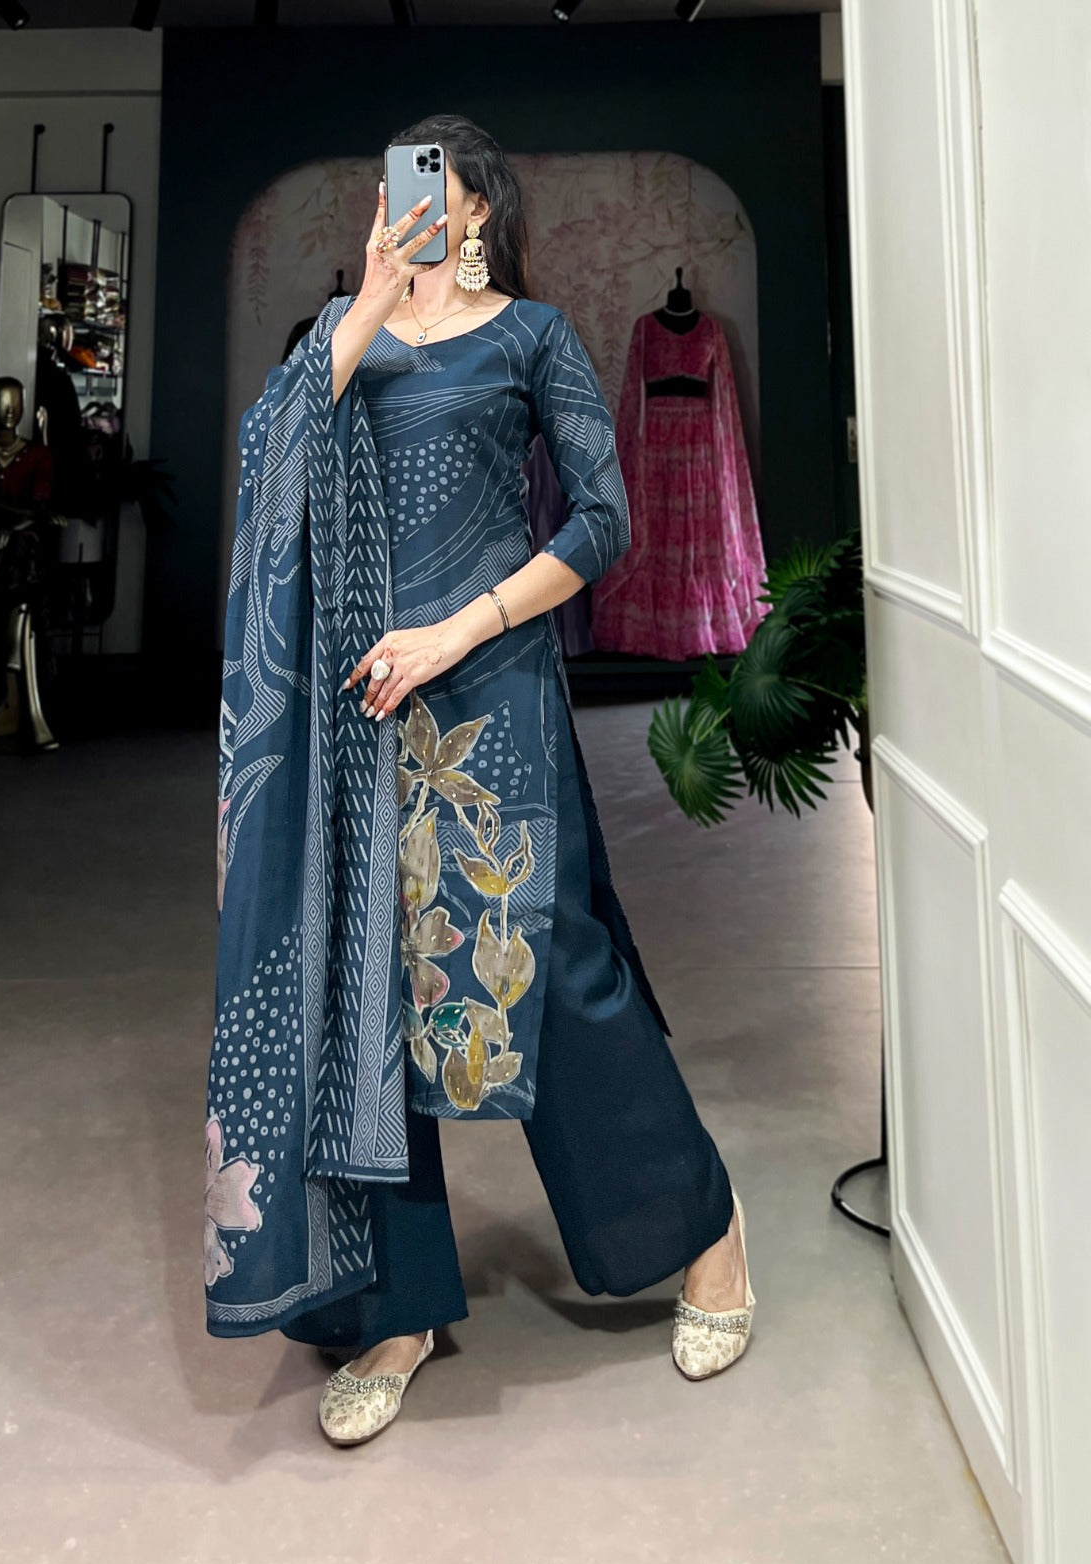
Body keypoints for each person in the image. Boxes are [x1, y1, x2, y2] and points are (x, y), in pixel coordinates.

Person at [206, 114, 756, 1448]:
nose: (409, 200)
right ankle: (395, 1312)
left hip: (488, 695)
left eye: (434, 182)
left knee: (550, 968)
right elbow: (267, 460)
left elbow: (604, 521)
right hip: (359, 709)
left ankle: (705, 1232)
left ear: (482, 207)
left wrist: (457, 632)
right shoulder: (339, 340)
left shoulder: (534, 337)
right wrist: (362, 309)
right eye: (394, 181)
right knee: (371, 992)